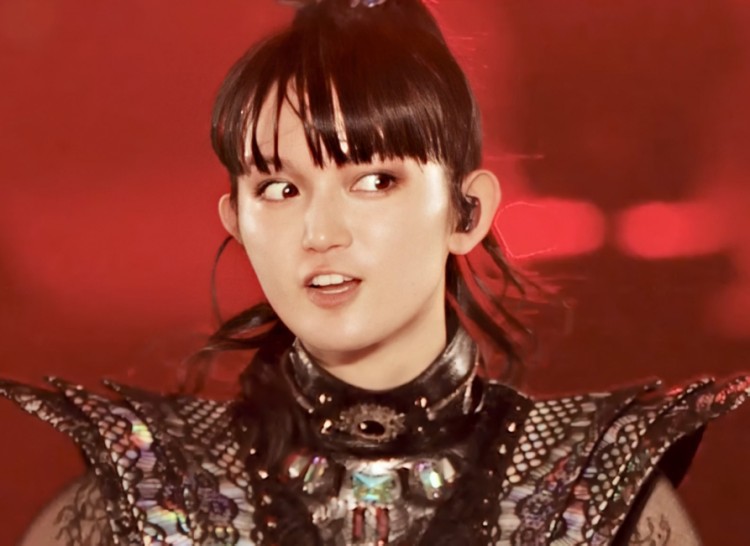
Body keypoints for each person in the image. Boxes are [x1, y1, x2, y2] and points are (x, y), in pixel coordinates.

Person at [1, 0, 748, 544]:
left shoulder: (598, 491)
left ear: (467, 212)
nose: (321, 234)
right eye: (279, 189)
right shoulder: (139, 495)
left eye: (374, 180)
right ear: (235, 218)